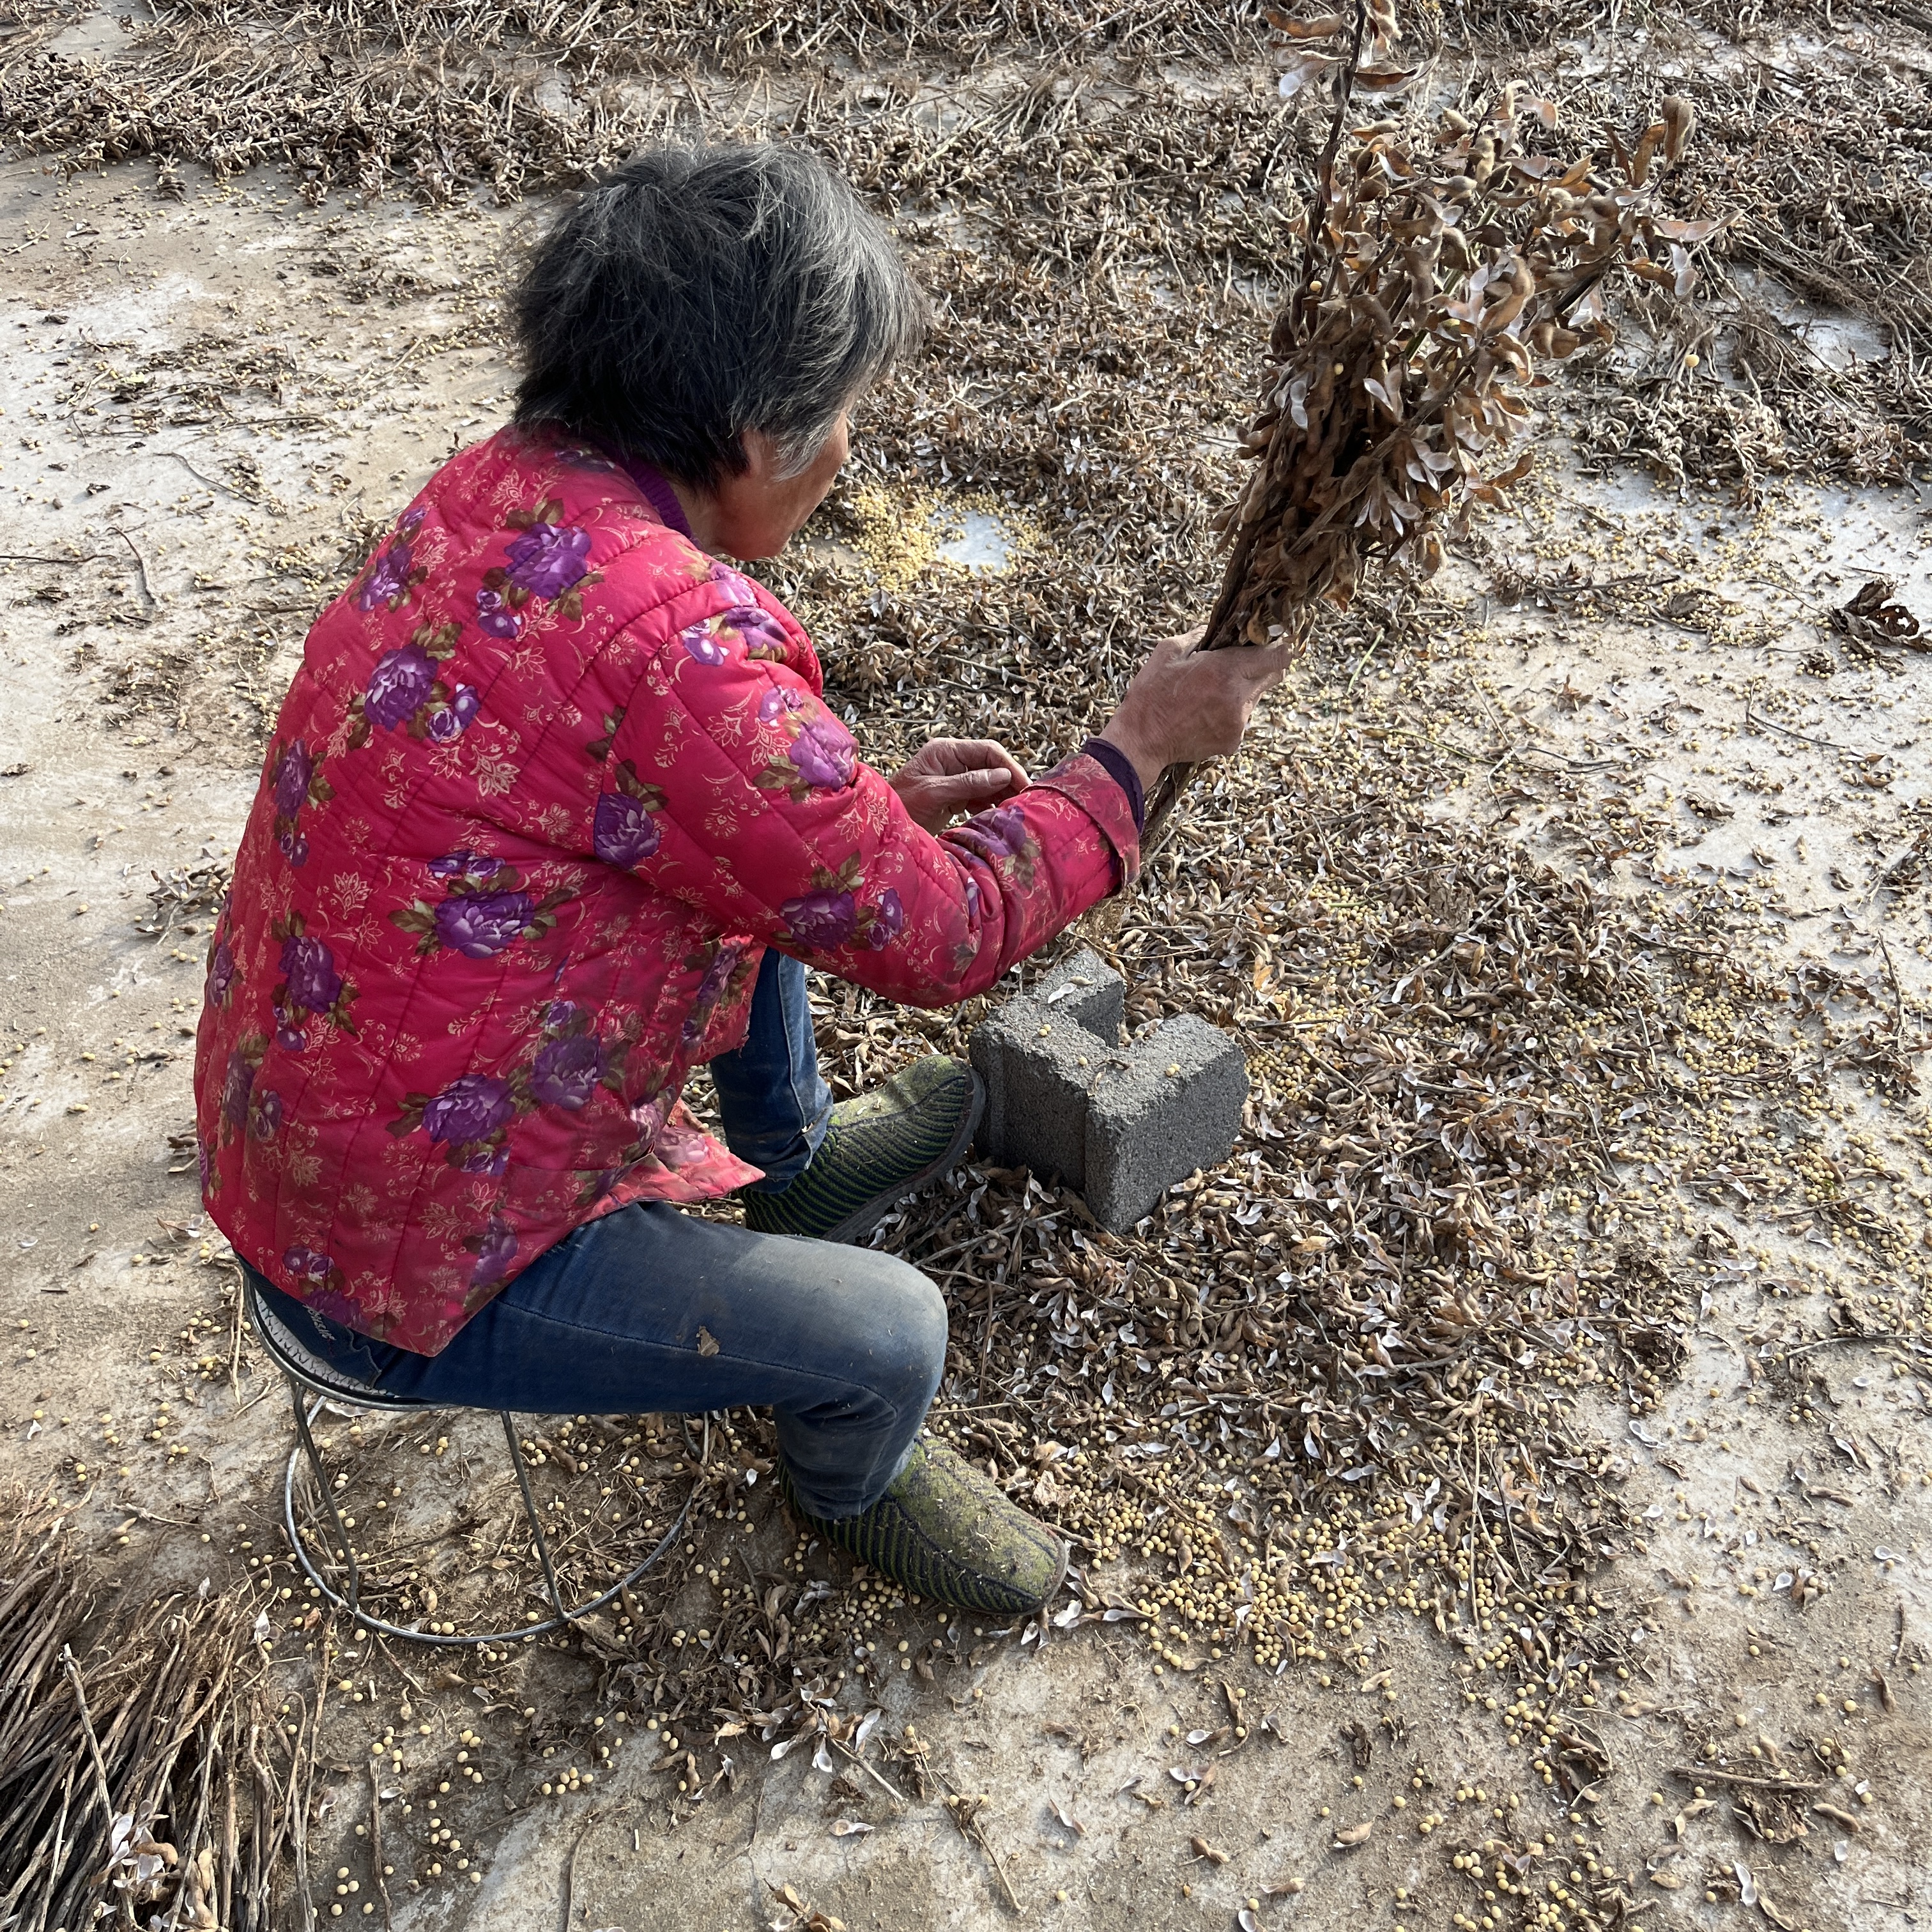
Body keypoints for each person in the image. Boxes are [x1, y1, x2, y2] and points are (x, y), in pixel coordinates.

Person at [194, 144, 1288, 1616]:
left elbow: (626, 791)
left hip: (306, 1143)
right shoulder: (677, 647)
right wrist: (1135, 752)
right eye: (842, 419)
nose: (847, 456)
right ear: (757, 441)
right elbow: (944, 931)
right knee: (892, 1335)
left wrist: (859, 814)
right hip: (405, 1268)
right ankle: (849, 1476)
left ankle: (797, 1164)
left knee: (747, 885)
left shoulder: (497, 494)